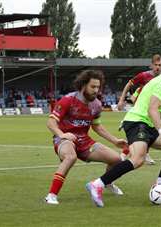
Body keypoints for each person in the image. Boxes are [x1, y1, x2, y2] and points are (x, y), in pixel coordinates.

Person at [85, 55, 161, 207]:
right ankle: (97, 184)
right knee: (138, 159)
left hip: (147, 124)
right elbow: (152, 108)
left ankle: (159, 186)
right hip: (137, 122)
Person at [45, 70, 128, 205]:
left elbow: (97, 127)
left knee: (117, 159)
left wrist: (115, 140)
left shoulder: (96, 105)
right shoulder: (68, 100)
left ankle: (106, 182)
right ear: (83, 85)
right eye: (93, 87)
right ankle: (51, 195)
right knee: (70, 157)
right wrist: (62, 134)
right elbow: (51, 122)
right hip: (64, 139)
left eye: (98, 87)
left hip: (84, 141)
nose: (96, 90)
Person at [117, 54, 161, 165]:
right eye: (156, 65)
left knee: (153, 133)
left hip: (155, 110)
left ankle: (140, 153)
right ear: (151, 65)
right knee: (141, 134)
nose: (158, 67)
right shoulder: (144, 76)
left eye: (160, 65)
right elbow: (129, 84)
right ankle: (126, 154)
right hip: (141, 111)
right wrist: (121, 100)